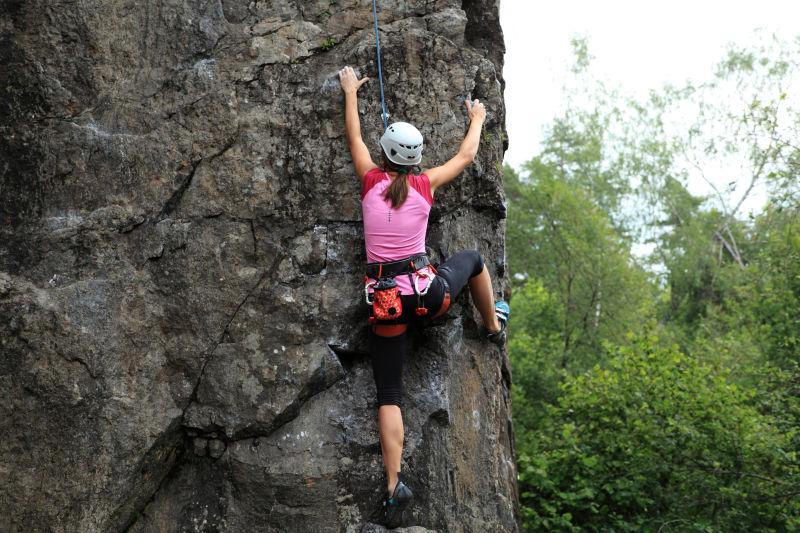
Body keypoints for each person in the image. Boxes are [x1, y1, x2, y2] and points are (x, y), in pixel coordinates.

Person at [338, 66, 510, 527]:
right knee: (472, 259)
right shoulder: (424, 184)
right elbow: (467, 156)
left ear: (386, 155)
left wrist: (351, 92)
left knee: (389, 395)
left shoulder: (370, 180)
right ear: (415, 160)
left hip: (387, 303)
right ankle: (493, 326)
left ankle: (395, 486)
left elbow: (353, 136)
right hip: (427, 296)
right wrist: (476, 117)